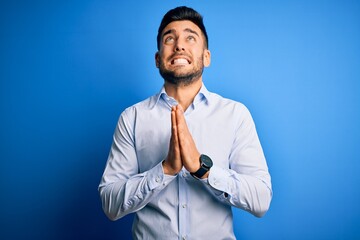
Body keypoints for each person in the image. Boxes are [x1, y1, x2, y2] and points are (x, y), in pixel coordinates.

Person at [99, 6, 272, 240]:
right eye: (169, 38)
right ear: (158, 59)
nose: (179, 45)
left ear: (206, 57)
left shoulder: (235, 115)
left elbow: (261, 199)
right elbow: (110, 204)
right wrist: (165, 170)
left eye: (190, 37)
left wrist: (202, 170)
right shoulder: (132, 118)